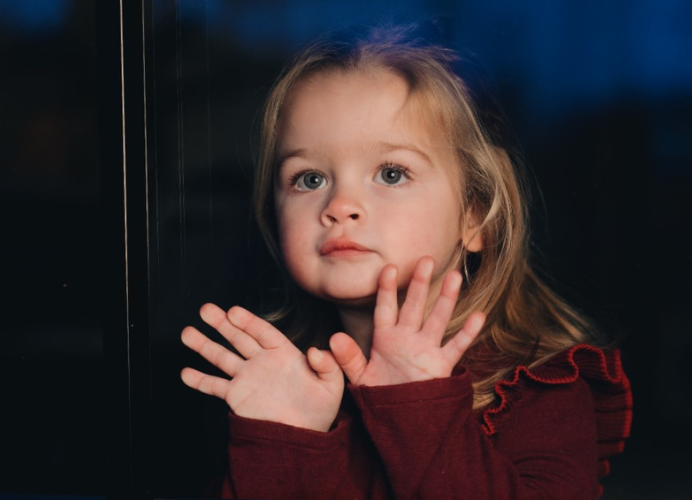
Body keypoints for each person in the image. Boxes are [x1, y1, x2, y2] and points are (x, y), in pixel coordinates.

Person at [180, 24, 632, 500]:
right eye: (309, 179)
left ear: (474, 216)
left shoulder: (540, 392)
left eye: (391, 173)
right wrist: (285, 441)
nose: (340, 205)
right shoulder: (280, 386)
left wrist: (417, 407)